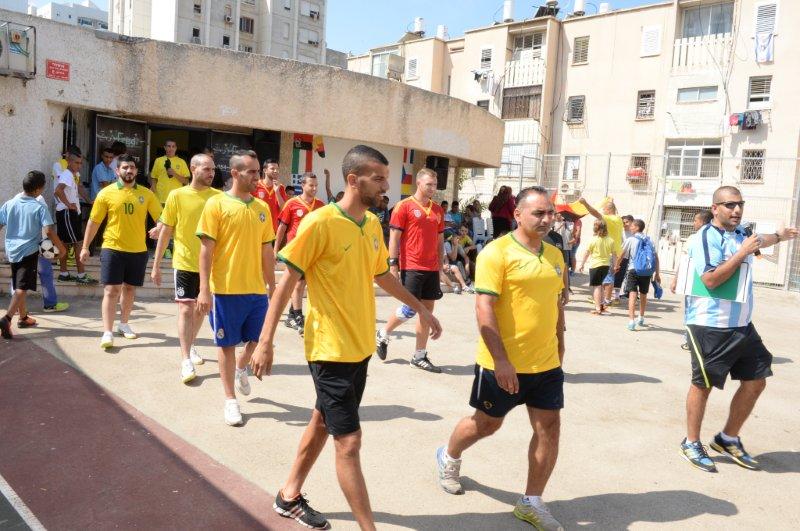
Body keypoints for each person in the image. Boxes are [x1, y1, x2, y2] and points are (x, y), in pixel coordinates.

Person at [249, 144, 442, 531]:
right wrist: (266, 341)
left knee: (322, 420)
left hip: (359, 348)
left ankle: (288, 496)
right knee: (349, 443)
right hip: (330, 349)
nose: (386, 186)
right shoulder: (320, 223)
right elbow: (286, 284)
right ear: (353, 180)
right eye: (379, 178)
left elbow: (382, 276)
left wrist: (420, 309)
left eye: (387, 178)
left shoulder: (370, 223)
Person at [436, 186, 568, 530]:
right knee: (486, 425)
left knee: (549, 429)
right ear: (518, 215)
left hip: (546, 363)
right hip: (502, 363)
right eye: (538, 213)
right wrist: (502, 361)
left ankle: (531, 501)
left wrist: (560, 341)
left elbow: (556, 303)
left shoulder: (555, 255)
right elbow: (484, 308)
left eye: (550, 213)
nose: (546, 219)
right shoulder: (497, 253)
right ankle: (449, 456)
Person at [679, 186, 797, 474]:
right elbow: (710, 280)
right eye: (730, 205)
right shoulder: (705, 237)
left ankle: (727, 438)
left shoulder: (741, 232)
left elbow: (760, 240)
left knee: (757, 380)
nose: (737, 210)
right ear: (715, 208)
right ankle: (691, 442)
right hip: (710, 325)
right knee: (703, 385)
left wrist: (780, 236)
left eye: (740, 204)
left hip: (741, 323)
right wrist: (742, 253)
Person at [197, 150, 276, 427]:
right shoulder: (216, 204)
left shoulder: (262, 208)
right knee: (226, 344)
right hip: (225, 291)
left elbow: (267, 251)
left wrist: (272, 285)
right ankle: (230, 400)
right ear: (234, 173)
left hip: (255, 290)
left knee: (259, 339)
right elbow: (206, 250)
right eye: (251, 172)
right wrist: (203, 289)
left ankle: (241, 367)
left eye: (258, 171)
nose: (257, 177)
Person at [80, 155, 162, 350]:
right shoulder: (105, 193)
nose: (129, 170)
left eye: (132, 167)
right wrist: (85, 246)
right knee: (111, 290)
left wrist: (159, 228)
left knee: (130, 289)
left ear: (136, 171)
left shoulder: (147, 194)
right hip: (112, 248)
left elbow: (162, 218)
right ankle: (107, 332)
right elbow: (94, 222)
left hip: (138, 250)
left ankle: (123, 324)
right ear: (117, 171)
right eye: (125, 167)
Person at [152, 153, 221, 383]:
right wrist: (156, 265)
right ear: (193, 169)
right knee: (185, 309)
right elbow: (166, 232)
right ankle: (185, 360)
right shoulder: (177, 195)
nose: (211, 173)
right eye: (206, 169)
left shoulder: (218, 197)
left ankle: (190, 345)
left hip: (210, 266)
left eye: (213, 169)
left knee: (201, 309)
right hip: (184, 263)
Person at [375, 168, 445, 373]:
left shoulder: (438, 210)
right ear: (418, 183)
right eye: (429, 184)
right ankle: (384, 332)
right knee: (411, 308)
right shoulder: (403, 206)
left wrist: (440, 266)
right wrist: (393, 265)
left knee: (427, 311)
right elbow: (394, 238)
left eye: (434, 185)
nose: (432, 188)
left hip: (432, 267)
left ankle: (419, 355)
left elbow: (440, 240)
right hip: (411, 265)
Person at [0, 171, 67, 339]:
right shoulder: (39, 206)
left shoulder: (10, 204)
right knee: (22, 287)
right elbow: (49, 231)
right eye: (43, 188)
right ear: (37, 189)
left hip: (11, 251)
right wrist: (61, 249)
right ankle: (7, 319)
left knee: (18, 283)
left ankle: (23, 318)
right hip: (28, 251)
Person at [273, 172, 325, 335]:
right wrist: (275, 249)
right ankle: (297, 316)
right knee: (298, 284)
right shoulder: (292, 203)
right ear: (302, 185)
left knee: (303, 284)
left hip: (313, 251)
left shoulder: (320, 205)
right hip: (295, 251)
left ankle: (291, 315)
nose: (314, 188)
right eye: (311, 185)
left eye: (316, 185)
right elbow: (281, 228)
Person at [670, 210, 712, 350]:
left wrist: (676, 279)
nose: (693, 223)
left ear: (702, 222)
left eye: (695, 220)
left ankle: (690, 341)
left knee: (691, 312)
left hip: (693, 282)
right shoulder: (717, 238)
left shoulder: (694, 238)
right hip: (710, 283)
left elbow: (684, 261)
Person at [54, 150, 96, 284]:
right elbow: (57, 191)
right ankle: (81, 275)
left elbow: (80, 188)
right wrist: (68, 204)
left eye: (81, 163)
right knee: (78, 243)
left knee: (65, 243)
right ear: (69, 162)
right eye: (77, 163)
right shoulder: (66, 174)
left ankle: (64, 274)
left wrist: (89, 200)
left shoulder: (74, 174)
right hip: (67, 212)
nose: (79, 165)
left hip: (70, 213)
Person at [616, 219, 660, 331]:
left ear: (637, 227)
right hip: (646, 271)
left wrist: (616, 266)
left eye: (632, 226)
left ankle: (631, 321)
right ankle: (641, 317)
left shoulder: (631, 239)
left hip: (633, 269)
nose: (630, 227)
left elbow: (621, 255)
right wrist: (657, 273)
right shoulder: (649, 240)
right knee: (644, 294)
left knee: (632, 294)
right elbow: (656, 258)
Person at [579, 197, 623, 304]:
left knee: (608, 278)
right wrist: (611, 202)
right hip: (614, 250)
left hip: (610, 252)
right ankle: (600, 298)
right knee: (606, 276)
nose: (603, 211)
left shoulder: (610, 219)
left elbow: (594, 212)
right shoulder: (618, 219)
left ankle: (606, 300)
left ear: (609, 210)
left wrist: (585, 203)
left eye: (604, 209)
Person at [578, 219, 613, 315]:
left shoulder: (593, 240)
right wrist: (615, 265)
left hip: (595, 265)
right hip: (606, 265)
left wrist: (582, 264)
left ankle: (597, 308)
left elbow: (587, 253)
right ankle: (601, 306)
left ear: (595, 228)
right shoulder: (610, 240)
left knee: (596, 287)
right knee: (600, 285)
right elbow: (614, 254)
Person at [150, 139, 190, 205]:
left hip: (175, 199)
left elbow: (186, 181)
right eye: (169, 146)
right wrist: (153, 188)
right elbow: (154, 177)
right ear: (165, 147)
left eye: (173, 146)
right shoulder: (158, 160)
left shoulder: (182, 162)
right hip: (160, 199)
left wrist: (174, 174)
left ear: (176, 148)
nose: (171, 148)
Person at [254, 158, 287, 230]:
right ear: (265, 170)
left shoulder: (281, 187)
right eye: (272, 168)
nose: (276, 171)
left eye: (277, 169)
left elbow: (283, 209)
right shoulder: (256, 185)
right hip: (257, 227)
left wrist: (277, 192)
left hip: (273, 229)